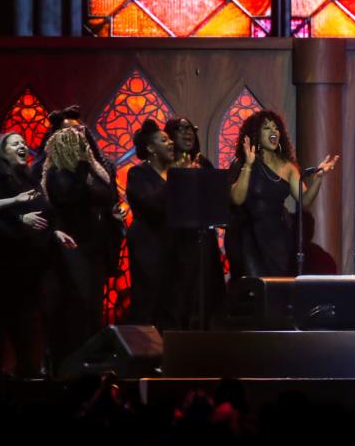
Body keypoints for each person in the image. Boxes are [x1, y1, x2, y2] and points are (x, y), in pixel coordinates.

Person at [0, 131, 74, 376]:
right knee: (6, 322)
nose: (23, 146)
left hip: (33, 263)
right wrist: (19, 219)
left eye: (24, 143)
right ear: (2, 152)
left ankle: (30, 371)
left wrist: (54, 232)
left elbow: (44, 213)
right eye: (15, 144)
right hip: (7, 265)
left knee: (30, 322)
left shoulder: (29, 179)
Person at [42, 127, 122, 365]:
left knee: (93, 303)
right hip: (72, 245)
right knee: (79, 299)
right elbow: (69, 198)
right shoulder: (57, 174)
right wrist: (83, 170)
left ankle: (90, 353)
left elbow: (108, 195)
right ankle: (69, 356)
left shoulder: (89, 172)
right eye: (75, 144)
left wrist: (90, 170)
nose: (81, 148)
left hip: (94, 246)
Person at [227, 110, 337, 279]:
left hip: (277, 238)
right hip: (249, 238)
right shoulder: (243, 162)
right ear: (256, 134)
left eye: (276, 127)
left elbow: (304, 200)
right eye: (266, 128)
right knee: (257, 290)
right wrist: (248, 165)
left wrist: (319, 179)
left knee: (279, 289)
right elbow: (237, 198)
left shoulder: (288, 166)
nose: (273, 131)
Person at [165, 116, 226, 326]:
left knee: (205, 291)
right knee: (180, 293)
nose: (187, 132)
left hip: (202, 238)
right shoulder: (165, 165)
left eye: (190, 128)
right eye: (180, 129)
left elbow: (215, 198)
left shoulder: (203, 163)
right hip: (176, 239)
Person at [125, 119, 178, 328]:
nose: (171, 143)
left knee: (172, 303)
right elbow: (151, 205)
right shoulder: (138, 174)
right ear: (150, 148)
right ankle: (144, 355)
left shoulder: (175, 173)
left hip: (173, 245)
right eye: (164, 140)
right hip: (148, 245)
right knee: (148, 302)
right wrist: (174, 179)